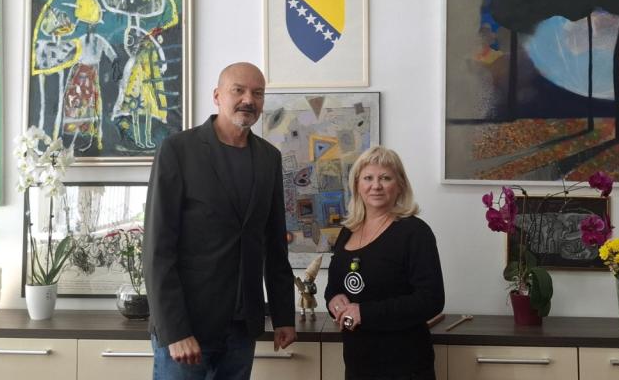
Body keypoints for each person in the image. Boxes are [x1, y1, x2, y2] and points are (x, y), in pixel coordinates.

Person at [144, 62, 297, 379]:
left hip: (241, 330)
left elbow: (274, 244)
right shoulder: (178, 150)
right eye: (238, 90)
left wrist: (284, 316)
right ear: (217, 96)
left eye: (257, 93)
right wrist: (175, 330)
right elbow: (157, 250)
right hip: (187, 329)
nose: (248, 100)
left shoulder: (269, 158)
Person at [325, 146, 445, 380]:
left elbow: (431, 300)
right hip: (358, 364)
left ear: (400, 185)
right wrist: (333, 300)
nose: (376, 186)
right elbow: (335, 286)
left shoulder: (415, 232)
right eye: (368, 178)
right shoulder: (348, 231)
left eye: (385, 178)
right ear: (357, 185)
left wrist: (364, 313)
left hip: (404, 366)